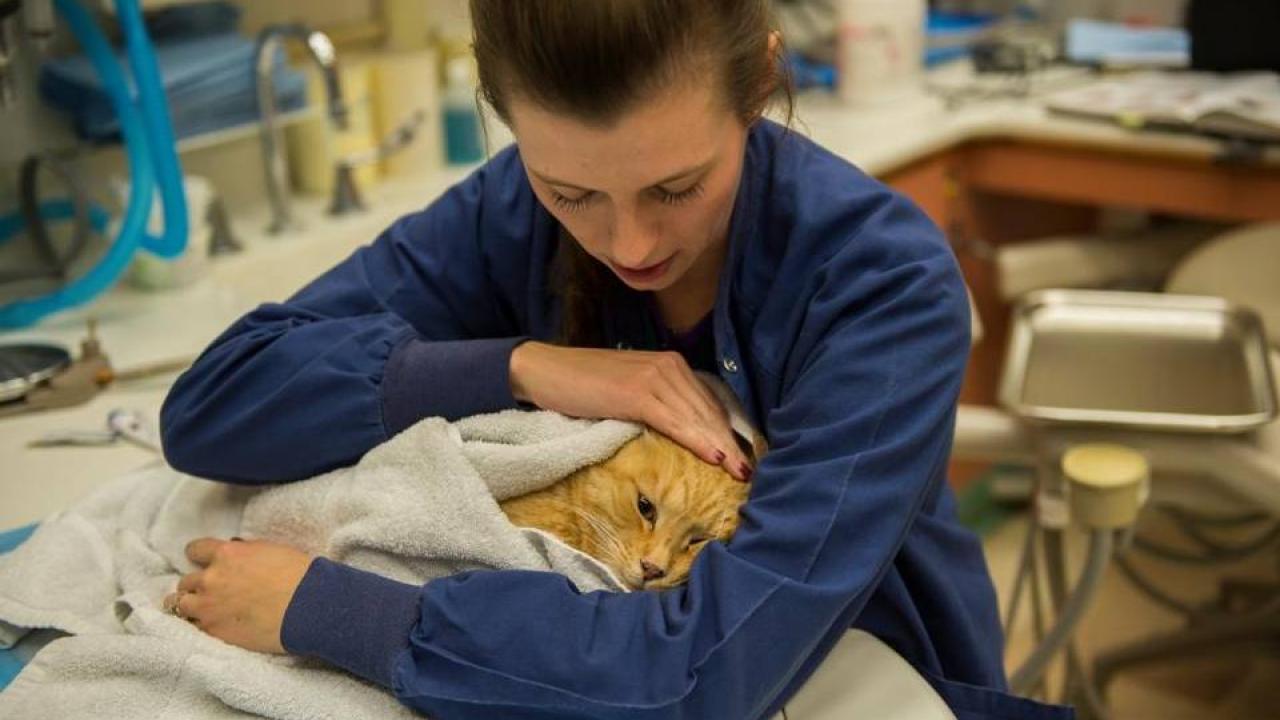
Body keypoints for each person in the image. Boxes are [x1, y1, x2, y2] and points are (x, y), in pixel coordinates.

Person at [159, 1, 1069, 717]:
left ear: (759, 83)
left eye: (676, 188)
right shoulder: (505, 212)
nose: (626, 244)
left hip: (856, 677)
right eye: (573, 192)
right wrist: (524, 364)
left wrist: (327, 609)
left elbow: (699, 678)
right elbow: (216, 403)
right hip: (566, 658)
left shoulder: (878, 282)